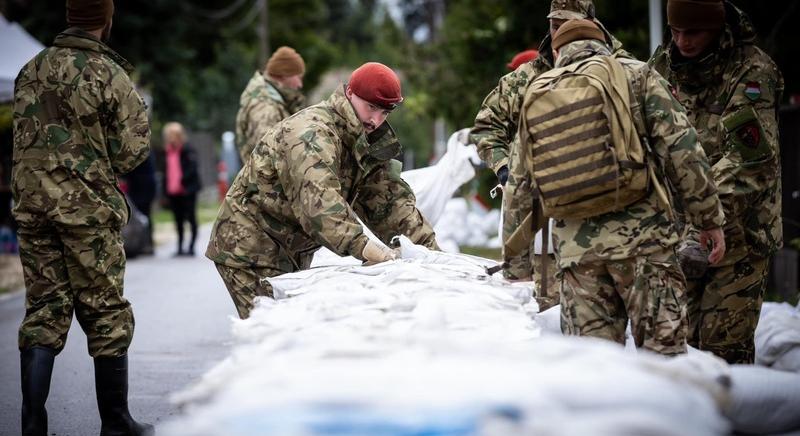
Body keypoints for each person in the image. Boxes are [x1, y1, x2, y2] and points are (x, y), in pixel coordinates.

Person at [510, 19, 726, 355]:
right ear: (605, 43)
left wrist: (517, 265)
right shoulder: (636, 76)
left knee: (594, 368)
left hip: (576, 255)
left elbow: (519, 184)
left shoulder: (538, 90)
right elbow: (682, 149)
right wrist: (708, 218)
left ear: (556, 51)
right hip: (644, 245)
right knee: (663, 360)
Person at [11, 0, 153, 434]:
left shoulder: (30, 69)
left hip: (34, 208)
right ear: (106, 19)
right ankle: (115, 422)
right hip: (86, 211)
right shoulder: (108, 74)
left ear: (70, 16)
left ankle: (32, 421)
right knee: (106, 310)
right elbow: (132, 151)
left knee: (44, 309)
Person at [207, 62, 439, 319]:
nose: (376, 120)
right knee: (273, 333)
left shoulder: (363, 139)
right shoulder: (310, 133)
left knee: (294, 332)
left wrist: (429, 253)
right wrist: (364, 247)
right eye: (371, 107)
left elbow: (388, 202)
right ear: (350, 94)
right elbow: (319, 204)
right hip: (249, 246)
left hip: (290, 248)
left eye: (384, 113)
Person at [472, 0, 632, 309]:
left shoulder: (623, 71)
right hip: (543, 225)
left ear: (590, 24)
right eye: (554, 23)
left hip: (615, 221)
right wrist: (504, 167)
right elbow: (485, 127)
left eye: (567, 23)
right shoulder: (527, 78)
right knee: (550, 315)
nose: (558, 30)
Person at [649, 0, 784, 364]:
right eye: (675, 32)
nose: (682, 42)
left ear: (716, 28)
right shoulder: (663, 66)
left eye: (693, 32)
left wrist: (704, 220)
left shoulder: (751, 71)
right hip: (681, 234)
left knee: (722, 350)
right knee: (678, 350)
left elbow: (748, 160)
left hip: (741, 234)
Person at [235, 46, 306, 165]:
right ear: (284, 75)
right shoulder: (265, 108)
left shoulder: (272, 101)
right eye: (298, 77)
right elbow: (268, 155)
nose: (300, 84)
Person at [162, 122, 201, 256]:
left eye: (173, 135)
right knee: (178, 220)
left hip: (187, 190)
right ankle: (179, 247)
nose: (170, 138)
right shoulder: (167, 151)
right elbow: (166, 172)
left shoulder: (188, 149)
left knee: (191, 218)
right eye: (169, 135)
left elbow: (192, 169)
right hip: (173, 191)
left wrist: (183, 181)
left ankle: (191, 247)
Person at [123, 151, 157, 255]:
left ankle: (146, 244)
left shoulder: (140, 151)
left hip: (143, 187)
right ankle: (142, 244)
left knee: (144, 216)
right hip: (137, 187)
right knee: (140, 218)